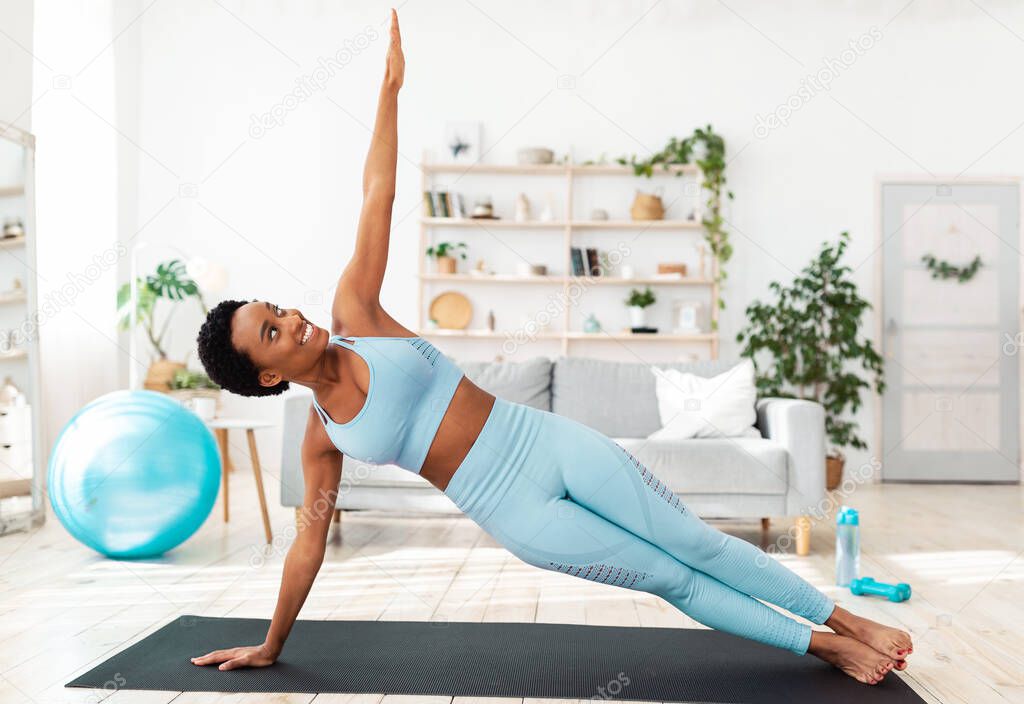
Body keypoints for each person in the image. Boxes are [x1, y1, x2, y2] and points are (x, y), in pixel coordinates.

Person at [191, 10, 912, 685]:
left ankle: (847, 617)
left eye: (277, 308)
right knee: (672, 579)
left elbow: (376, 193)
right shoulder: (323, 439)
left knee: (695, 544)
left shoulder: (358, 311)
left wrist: (389, 89)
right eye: (273, 332)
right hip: (517, 515)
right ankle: (827, 647)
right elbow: (307, 549)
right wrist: (271, 644)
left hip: (549, 442)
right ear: (265, 375)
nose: (292, 320)